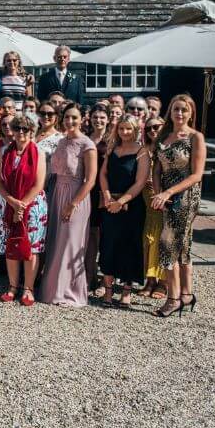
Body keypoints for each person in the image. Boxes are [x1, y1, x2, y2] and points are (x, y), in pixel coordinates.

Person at [150, 94, 205, 318]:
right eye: (176, 109)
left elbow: (197, 175)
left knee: (168, 245)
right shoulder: (164, 135)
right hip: (164, 195)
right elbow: (156, 169)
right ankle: (187, 294)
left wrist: (169, 192)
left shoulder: (196, 138)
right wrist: (157, 192)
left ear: (191, 112)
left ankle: (172, 299)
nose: (179, 113)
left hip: (185, 196)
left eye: (184, 109)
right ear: (170, 111)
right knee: (182, 245)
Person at [39, 102, 97, 307]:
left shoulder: (87, 144)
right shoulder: (61, 142)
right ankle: (52, 290)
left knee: (71, 244)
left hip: (76, 196)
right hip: (56, 193)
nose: (70, 121)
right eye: (67, 118)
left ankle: (70, 292)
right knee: (56, 242)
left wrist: (72, 204)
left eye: (74, 117)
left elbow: (90, 180)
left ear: (82, 119)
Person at [0, 114, 48, 307]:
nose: (21, 133)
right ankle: (12, 286)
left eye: (25, 129)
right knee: (11, 244)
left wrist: (22, 205)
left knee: (31, 246)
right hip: (9, 202)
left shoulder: (39, 152)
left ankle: (28, 288)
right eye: (17, 129)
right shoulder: (4, 151)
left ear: (31, 131)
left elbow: (39, 183)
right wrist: (12, 202)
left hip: (32, 205)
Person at [97, 115, 149, 308]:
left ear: (135, 130)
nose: (125, 132)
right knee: (108, 245)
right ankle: (109, 290)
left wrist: (122, 201)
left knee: (130, 247)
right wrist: (108, 197)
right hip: (110, 204)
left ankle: (126, 291)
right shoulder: (112, 149)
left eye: (128, 129)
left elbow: (140, 182)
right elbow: (103, 174)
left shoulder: (142, 152)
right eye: (121, 129)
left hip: (132, 207)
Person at [138, 117, 167, 299]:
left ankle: (163, 282)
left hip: (166, 196)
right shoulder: (144, 149)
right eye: (149, 128)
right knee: (149, 239)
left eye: (157, 127)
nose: (153, 131)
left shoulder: (169, 147)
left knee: (163, 239)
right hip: (146, 198)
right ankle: (150, 279)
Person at [86, 103, 111, 294]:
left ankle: (106, 280)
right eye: (95, 117)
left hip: (106, 191)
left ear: (108, 119)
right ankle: (89, 276)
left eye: (102, 117)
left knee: (106, 237)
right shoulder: (86, 139)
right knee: (91, 235)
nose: (98, 120)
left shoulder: (113, 140)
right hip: (89, 192)